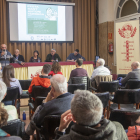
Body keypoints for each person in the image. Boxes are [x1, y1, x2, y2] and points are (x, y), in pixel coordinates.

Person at [55, 90, 128, 140]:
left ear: (73, 118)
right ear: (101, 110)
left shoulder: (65, 139)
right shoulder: (118, 128)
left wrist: (60, 130)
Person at [23, 74, 74, 140]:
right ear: (67, 85)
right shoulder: (78, 100)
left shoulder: (47, 106)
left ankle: (26, 135)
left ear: (52, 89)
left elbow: (36, 121)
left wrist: (45, 102)